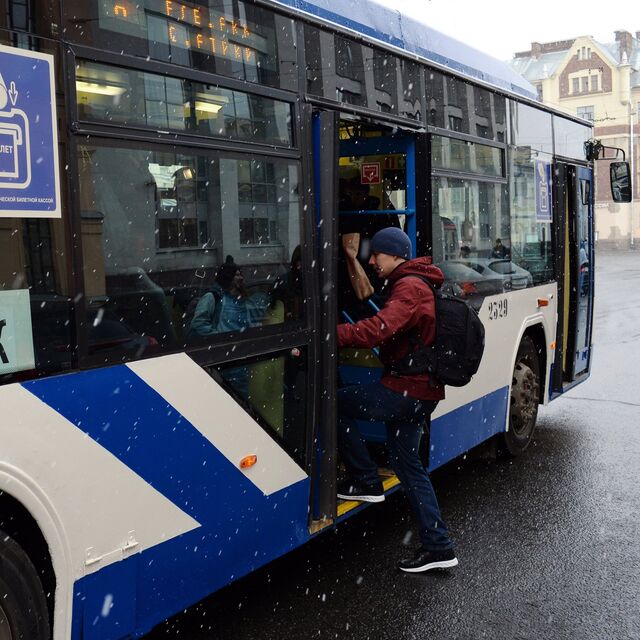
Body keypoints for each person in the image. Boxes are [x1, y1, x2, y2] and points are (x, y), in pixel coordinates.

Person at [336, 227, 458, 573]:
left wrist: (330, 333)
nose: (372, 260)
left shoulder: (409, 287)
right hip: (420, 390)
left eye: (377, 254)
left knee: (333, 405)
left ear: (395, 256)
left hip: (407, 391)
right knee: (407, 465)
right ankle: (439, 547)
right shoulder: (415, 282)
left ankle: (365, 480)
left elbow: (378, 329)